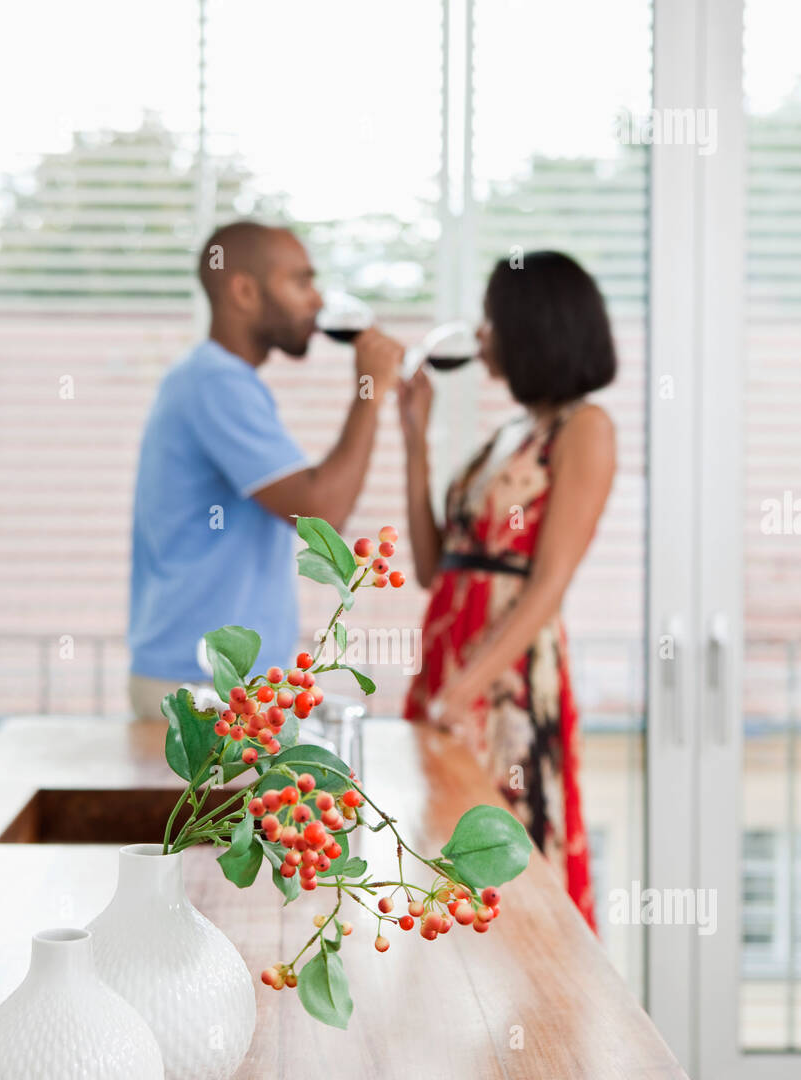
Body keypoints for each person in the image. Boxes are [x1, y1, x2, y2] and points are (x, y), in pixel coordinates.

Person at [398, 251, 617, 931]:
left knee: (507, 861)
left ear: (532, 326)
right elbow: (437, 568)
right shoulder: (507, 436)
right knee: (442, 856)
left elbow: (549, 583)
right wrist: (416, 443)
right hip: (450, 661)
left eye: (492, 320)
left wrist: (467, 686)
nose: (481, 335)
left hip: (506, 675)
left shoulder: (584, 429)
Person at [128, 221, 403, 717]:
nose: (317, 301)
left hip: (216, 681)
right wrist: (370, 391)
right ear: (245, 292)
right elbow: (321, 511)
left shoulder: (212, 380)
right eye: (300, 282)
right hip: (203, 689)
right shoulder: (217, 383)